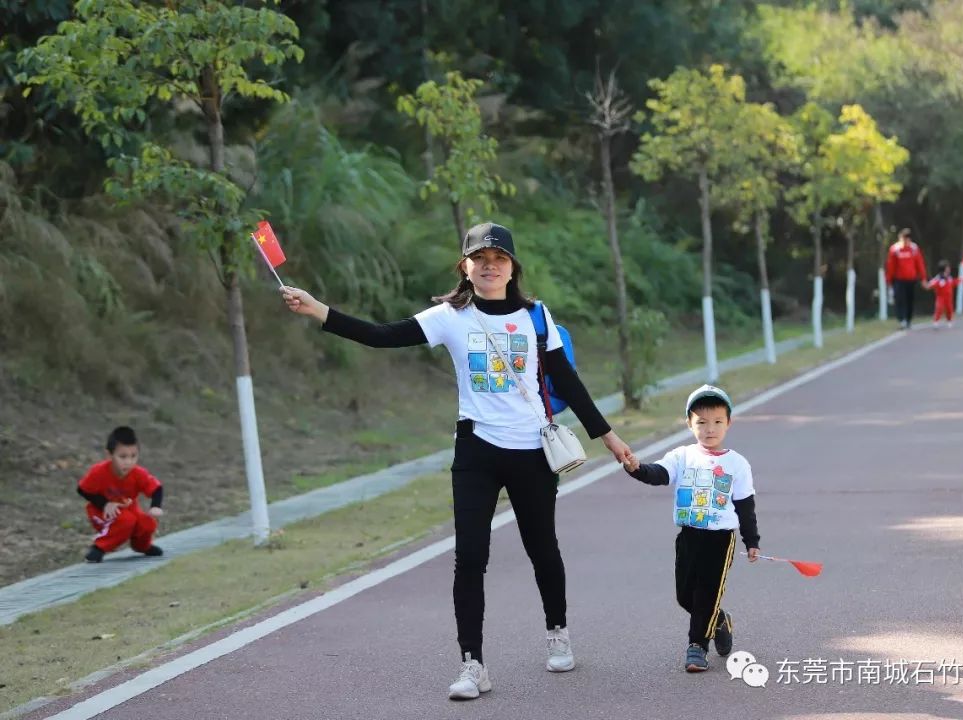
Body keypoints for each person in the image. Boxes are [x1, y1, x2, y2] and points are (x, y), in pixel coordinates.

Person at [280, 222, 633, 701]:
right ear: (465, 267)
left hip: (532, 451)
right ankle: (473, 664)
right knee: (469, 557)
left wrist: (609, 438)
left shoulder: (536, 316)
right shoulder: (450, 316)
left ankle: (558, 632)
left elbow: (567, 382)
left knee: (541, 548)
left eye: (499, 259)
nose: (490, 265)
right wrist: (318, 310)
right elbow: (382, 336)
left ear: (512, 267)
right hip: (476, 451)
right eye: (480, 258)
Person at [621, 385, 760, 673]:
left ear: (728, 423)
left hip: (721, 540)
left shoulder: (737, 464)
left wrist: (752, 540)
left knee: (706, 593)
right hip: (689, 536)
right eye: (702, 422)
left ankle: (697, 646)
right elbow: (658, 474)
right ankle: (719, 620)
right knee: (685, 595)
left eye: (718, 422)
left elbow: (745, 505)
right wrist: (636, 467)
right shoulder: (682, 456)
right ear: (689, 423)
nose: (710, 429)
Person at [78, 426, 165, 563]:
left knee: (147, 523)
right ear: (109, 455)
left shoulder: (138, 473)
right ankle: (99, 547)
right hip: (101, 512)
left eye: (133, 456)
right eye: (122, 457)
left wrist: (156, 506)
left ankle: (143, 547)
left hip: (129, 511)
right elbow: (83, 489)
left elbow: (156, 488)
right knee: (126, 520)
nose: (128, 462)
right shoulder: (99, 472)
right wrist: (105, 504)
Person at [885, 228, 927, 329]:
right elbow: (891, 266)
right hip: (898, 280)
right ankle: (902, 319)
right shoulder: (895, 249)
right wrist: (889, 280)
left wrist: (923, 278)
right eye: (904, 239)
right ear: (900, 238)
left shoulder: (914, 249)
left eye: (908, 240)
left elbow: (920, 264)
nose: (906, 242)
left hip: (911, 280)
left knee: (909, 300)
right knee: (900, 299)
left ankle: (908, 320)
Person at [925, 259, 963, 329]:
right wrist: (928, 285)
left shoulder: (949, 278)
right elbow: (932, 283)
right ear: (944, 269)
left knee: (949, 309)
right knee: (939, 308)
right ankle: (936, 321)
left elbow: (954, 282)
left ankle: (949, 321)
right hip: (940, 297)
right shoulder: (938, 278)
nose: (949, 269)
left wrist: (961, 280)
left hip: (949, 297)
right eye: (947, 267)